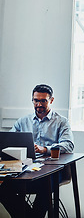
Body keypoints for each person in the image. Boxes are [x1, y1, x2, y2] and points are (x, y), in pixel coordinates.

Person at [0, 84, 74, 218]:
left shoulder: (62, 122)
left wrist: (45, 149)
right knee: (2, 187)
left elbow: (68, 145)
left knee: (45, 185)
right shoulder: (22, 121)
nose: (39, 104)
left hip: (52, 169)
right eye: (36, 100)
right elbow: (9, 142)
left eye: (43, 101)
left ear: (51, 100)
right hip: (27, 168)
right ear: (32, 100)